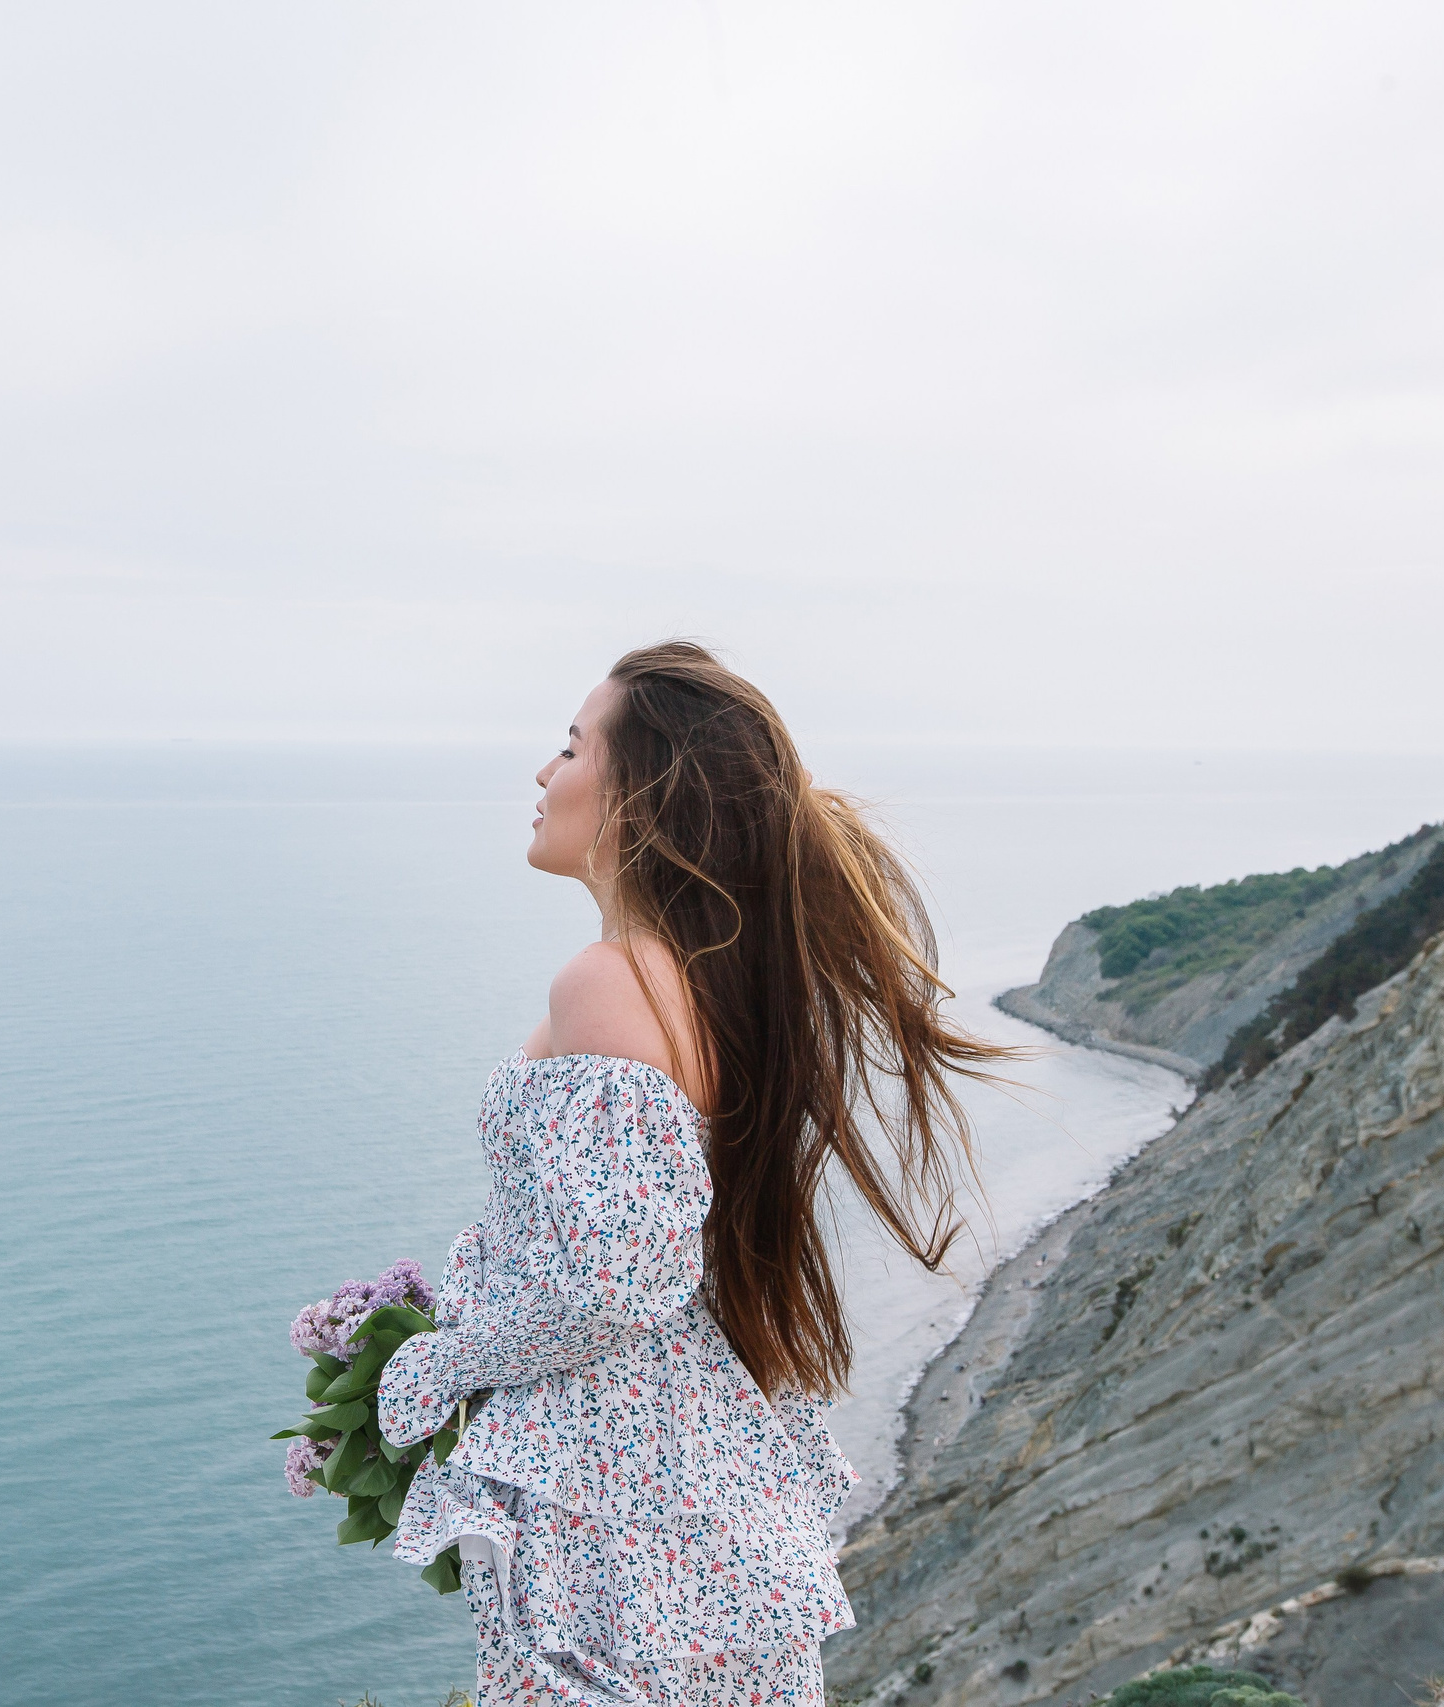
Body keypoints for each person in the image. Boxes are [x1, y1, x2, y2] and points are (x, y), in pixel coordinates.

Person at [376, 642, 1015, 1706]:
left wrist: (440, 1365)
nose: (543, 775)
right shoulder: (702, 981)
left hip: (610, 1482)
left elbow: (616, 1282)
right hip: (692, 1460)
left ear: (642, 791)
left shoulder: (610, 980)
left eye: (571, 746)